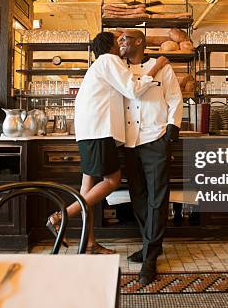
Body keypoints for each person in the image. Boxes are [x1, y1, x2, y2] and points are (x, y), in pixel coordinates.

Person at [46, 31, 169, 254]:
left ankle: (90, 243)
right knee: (112, 181)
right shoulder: (109, 60)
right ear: (111, 46)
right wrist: (157, 66)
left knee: (88, 189)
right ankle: (60, 216)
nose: (121, 44)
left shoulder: (99, 65)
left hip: (88, 132)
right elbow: (133, 90)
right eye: (118, 41)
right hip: (99, 132)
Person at [118, 29, 183, 284]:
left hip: (155, 138)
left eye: (125, 39)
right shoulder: (118, 68)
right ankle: (150, 245)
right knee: (139, 198)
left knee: (157, 198)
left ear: (139, 42)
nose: (121, 43)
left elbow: (175, 98)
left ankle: (150, 259)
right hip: (129, 141)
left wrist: (171, 131)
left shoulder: (162, 68)